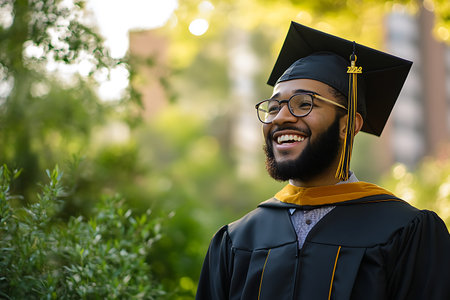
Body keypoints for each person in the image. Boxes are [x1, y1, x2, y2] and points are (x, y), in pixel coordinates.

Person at [196, 21, 450, 300]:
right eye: (273, 107)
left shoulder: (406, 232)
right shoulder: (235, 241)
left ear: (348, 125)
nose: (281, 117)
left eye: (304, 104)